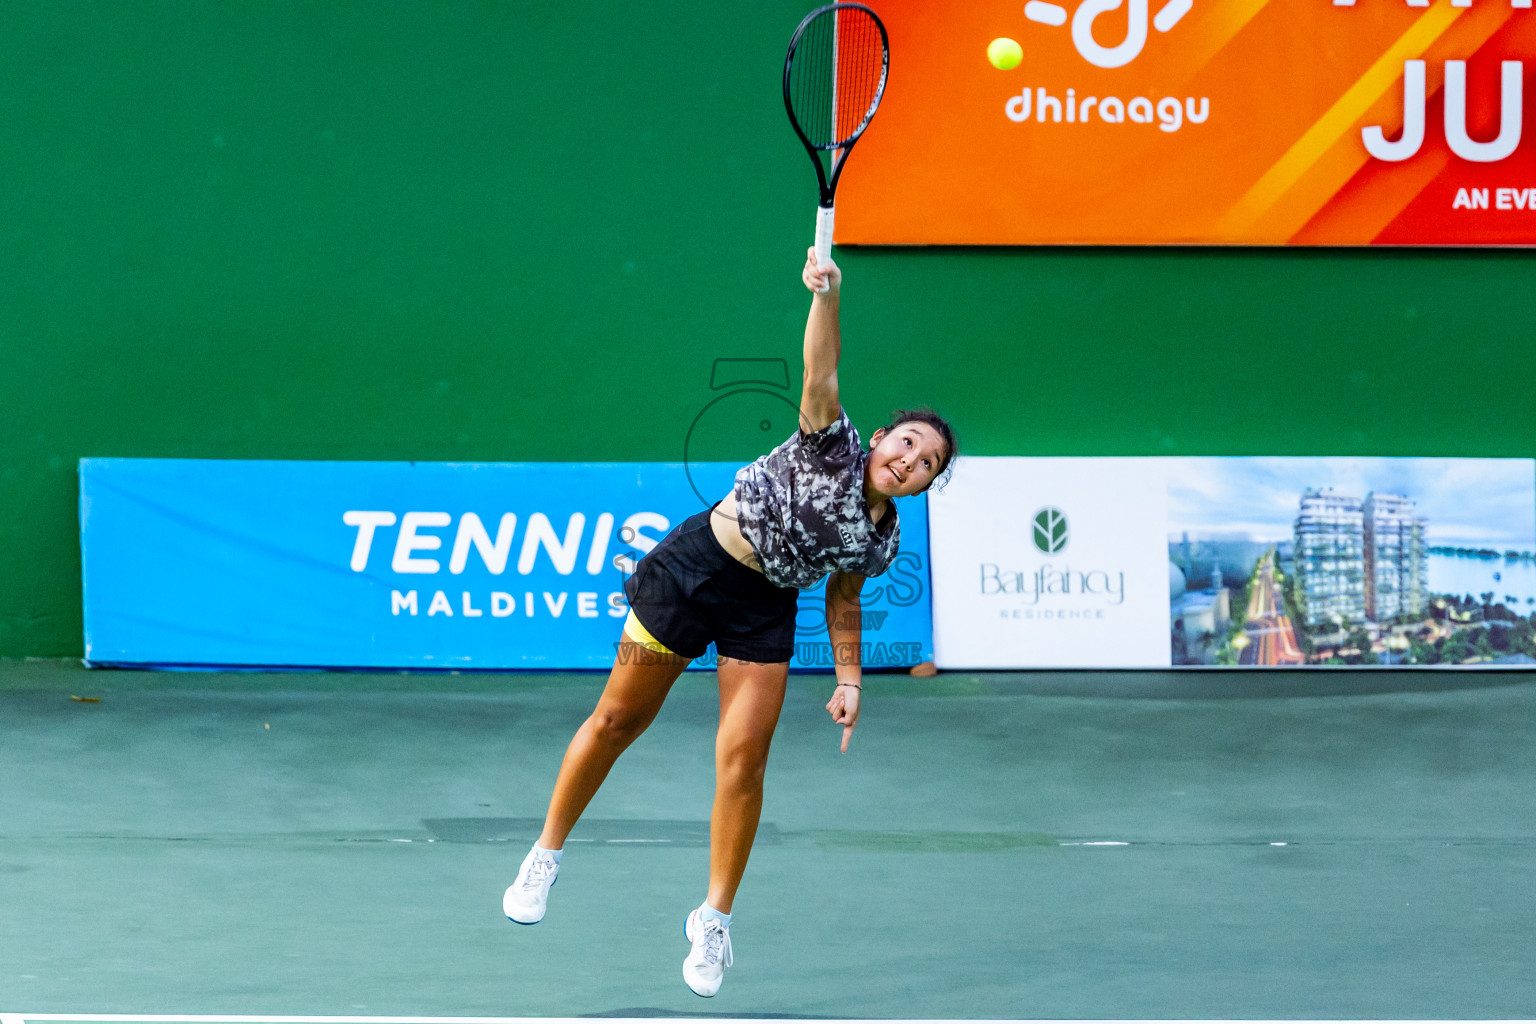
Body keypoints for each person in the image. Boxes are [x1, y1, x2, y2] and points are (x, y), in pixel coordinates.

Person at [503, 250, 957, 998]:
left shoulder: (882, 539)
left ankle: (713, 921)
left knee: (743, 761)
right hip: (694, 572)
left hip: (764, 609)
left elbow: (842, 598)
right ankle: (545, 854)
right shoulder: (829, 443)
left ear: (928, 484)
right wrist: (827, 296)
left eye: (928, 462)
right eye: (907, 441)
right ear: (879, 438)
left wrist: (850, 679)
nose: (911, 459)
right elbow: (821, 370)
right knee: (617, 719)